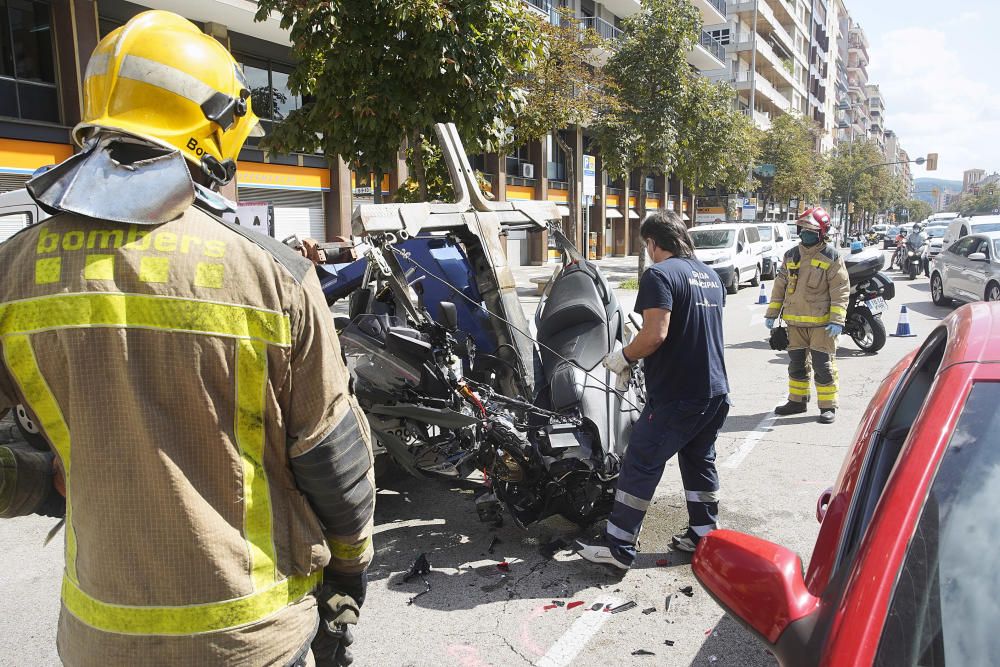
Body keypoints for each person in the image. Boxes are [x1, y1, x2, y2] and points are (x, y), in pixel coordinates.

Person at [0, 12, 374, 666]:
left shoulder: (12, 271)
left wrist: (53, 479)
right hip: (252, 636)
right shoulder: (274, 275)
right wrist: (348, 574)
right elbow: (332, 462)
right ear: (209, 133)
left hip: (96, 635)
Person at [576, 211, 730, 569]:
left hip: (678, 394)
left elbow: (655, 334)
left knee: (641, 461)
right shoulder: (709, 276)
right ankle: (704, 533)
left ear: (653, 243)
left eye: (646, 244)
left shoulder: (658, 275)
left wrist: (625, 357)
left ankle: (617, 545)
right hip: (715, 390)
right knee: (698, 459)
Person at [765, 207, 849, 425]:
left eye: (810, 230)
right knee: (796, 365)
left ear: (822, 233)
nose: (805, 234)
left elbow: (840, 290)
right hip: (795, 323)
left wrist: (837, 320)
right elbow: (780, 285)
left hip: (822, 324)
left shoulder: (832, 257)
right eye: (802, 229)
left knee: (823, 365)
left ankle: (827, 406)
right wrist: (772, 314)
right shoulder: (791, 255)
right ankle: (797, 401)